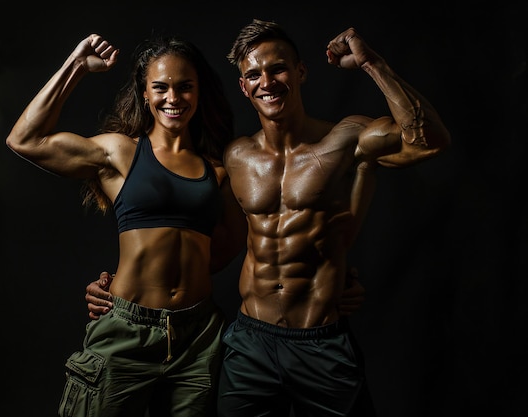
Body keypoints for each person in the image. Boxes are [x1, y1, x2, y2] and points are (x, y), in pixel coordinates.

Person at [84, 18, 450, 417]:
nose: (267, 82)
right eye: (254, 74)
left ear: (300, 72)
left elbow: (429, 141)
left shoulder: (347, 139)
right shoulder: (235, 157)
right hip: (249, 342)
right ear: (244, 86)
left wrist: (371, 63)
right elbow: (204, 246)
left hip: (321, 340)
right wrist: (122, 291)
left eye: (277, 69)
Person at [5, 32, 246, 417]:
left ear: (200, 92)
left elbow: (234, 244)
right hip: (126, 332)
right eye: (161, 87)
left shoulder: (216, 171)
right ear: (145, 93)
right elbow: (25, 140)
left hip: (198, 338)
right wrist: (76, 66)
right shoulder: (120, 151)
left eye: (185, 87)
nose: (173, 98)